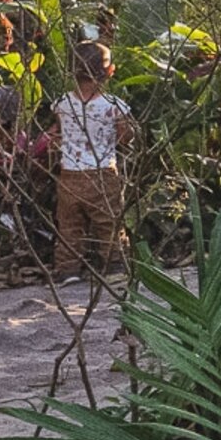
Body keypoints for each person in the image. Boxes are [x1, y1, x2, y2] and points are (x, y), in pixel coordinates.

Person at [50, 39, 133, 279]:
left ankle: (67, 270)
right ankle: (115, 265)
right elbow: (126, 135)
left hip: (69, 175)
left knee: (68, 225)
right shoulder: (114, 106)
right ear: (110, 71)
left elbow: (57, 133)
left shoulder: (63, 104)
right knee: (109, 222)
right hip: (103, 173)